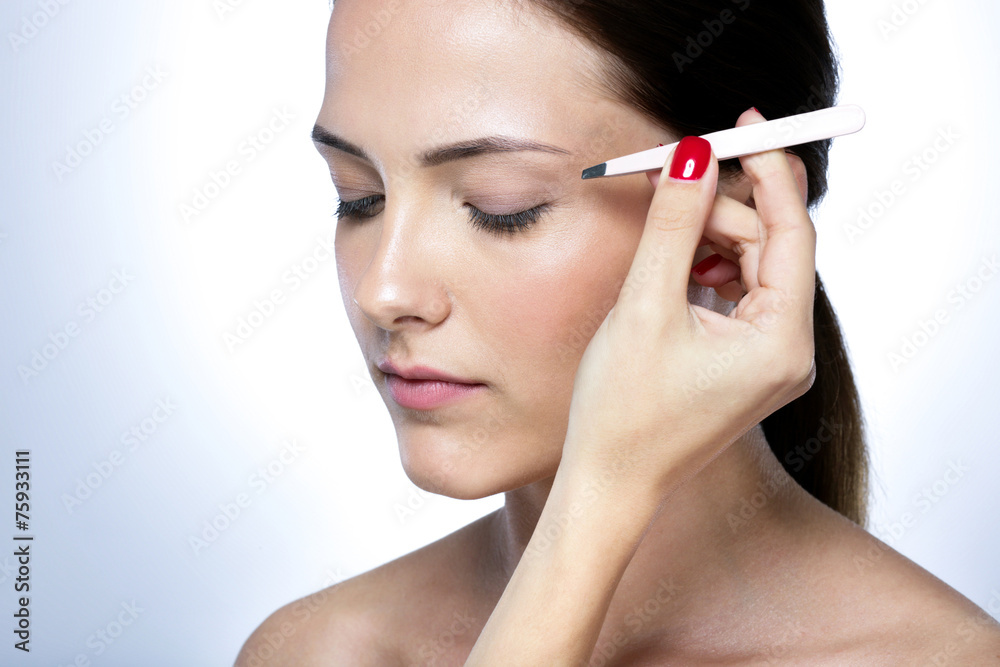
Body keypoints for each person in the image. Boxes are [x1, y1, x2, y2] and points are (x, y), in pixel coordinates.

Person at [236, 0, 1000, 664]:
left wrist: (604, 491)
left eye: (501, 206)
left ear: (720, 222)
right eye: (357, 198)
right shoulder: (319, 650)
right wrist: (600, 501)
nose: (384, 290)